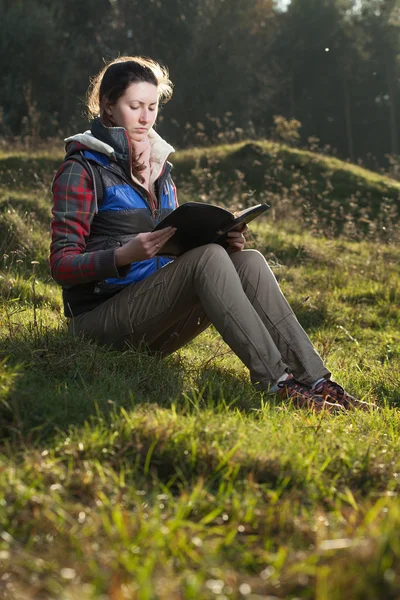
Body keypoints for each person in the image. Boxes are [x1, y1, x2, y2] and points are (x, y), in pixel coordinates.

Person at [50, 56, 370, 413]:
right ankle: (277, 384)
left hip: (152, 320)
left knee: (246, 260)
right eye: (134, 106)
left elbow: (174, 249)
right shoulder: (81, 169)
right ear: (108, 106)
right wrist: (123, 256)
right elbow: (61, 266)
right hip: (99, 323)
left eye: (152, 107)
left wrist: (221, 238)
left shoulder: (160, 170)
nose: (145, 118)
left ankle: (316, 381)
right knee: (208, 259)